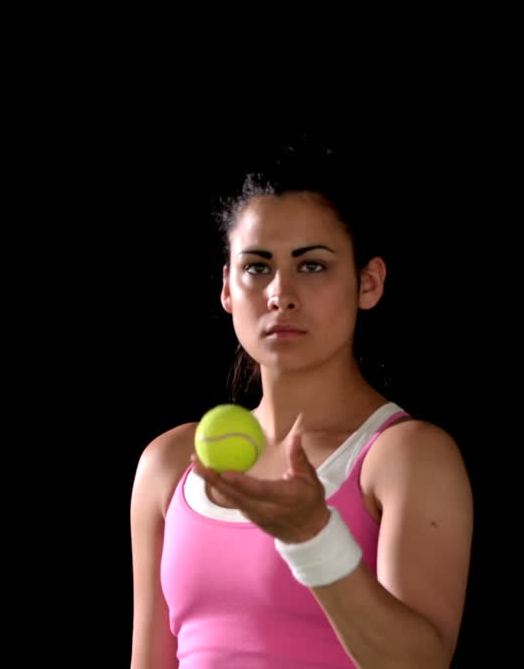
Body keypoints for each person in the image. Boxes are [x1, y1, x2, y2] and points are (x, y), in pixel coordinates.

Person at [130, 139, 474, 668]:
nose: (280, 294)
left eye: (312, 266)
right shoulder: (169, 463)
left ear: (368, 283)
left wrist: (314, 538)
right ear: (227, 288)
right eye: (256, 267)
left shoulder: (405, 457)